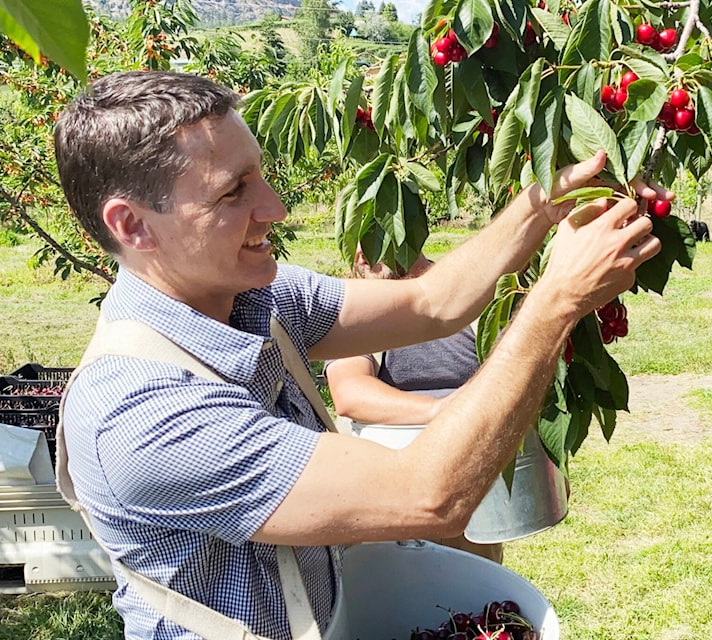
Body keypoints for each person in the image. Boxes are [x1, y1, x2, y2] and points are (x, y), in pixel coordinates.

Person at [52, 70, 665, 640]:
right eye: (233, 193)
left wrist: (548, 202)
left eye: (259, 175)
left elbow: (432, 301)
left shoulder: (254, 297)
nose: (275, 208)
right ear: (133, 226)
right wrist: (556, 302)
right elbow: (430, 494)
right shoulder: (143, 415)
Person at [324, 248, 502, 563]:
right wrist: (442, 411)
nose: (360, 254)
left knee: (470, 595)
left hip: (469, 500)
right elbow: (350, 393)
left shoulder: (466, 300)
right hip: (390, 502)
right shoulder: (361, 310)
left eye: (373, 235)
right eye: (355, 240)